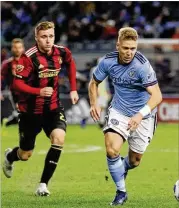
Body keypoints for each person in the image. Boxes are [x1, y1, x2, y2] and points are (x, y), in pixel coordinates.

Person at [2, 21, 79, 196]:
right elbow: (17, 84)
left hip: (52, 108)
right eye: (44, 37)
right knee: (25, 154)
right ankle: (10, 157)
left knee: (59, 138)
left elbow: (71, 64)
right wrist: (38, 91)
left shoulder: (61, 52)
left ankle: (43, 185)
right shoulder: (28, 58)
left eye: (51, 36)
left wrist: (73, 89)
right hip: (30, 112)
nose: (48, 40)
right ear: (36, 38)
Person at [88, 27, 162, 205]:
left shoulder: (142, 65)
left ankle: (123, 166)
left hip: (143, 115)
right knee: (112, 148)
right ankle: (121, 192)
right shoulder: (107, 61)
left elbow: (157, 96)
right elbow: (93, 82)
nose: (129, 53)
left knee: (135, 161)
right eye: (125, 48)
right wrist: (94, 103)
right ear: (118, 45)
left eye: (133, 48)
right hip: (119, 110)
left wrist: (139, 115)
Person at [1, 38, 25, 125]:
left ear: (23, 48)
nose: (17, 50)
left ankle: (11, 120)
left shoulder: (30, 62)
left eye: (19, 47)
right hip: (16, 93)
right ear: (12, 49)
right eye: (15, 47)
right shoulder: (7, 64)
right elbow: (1, 77)